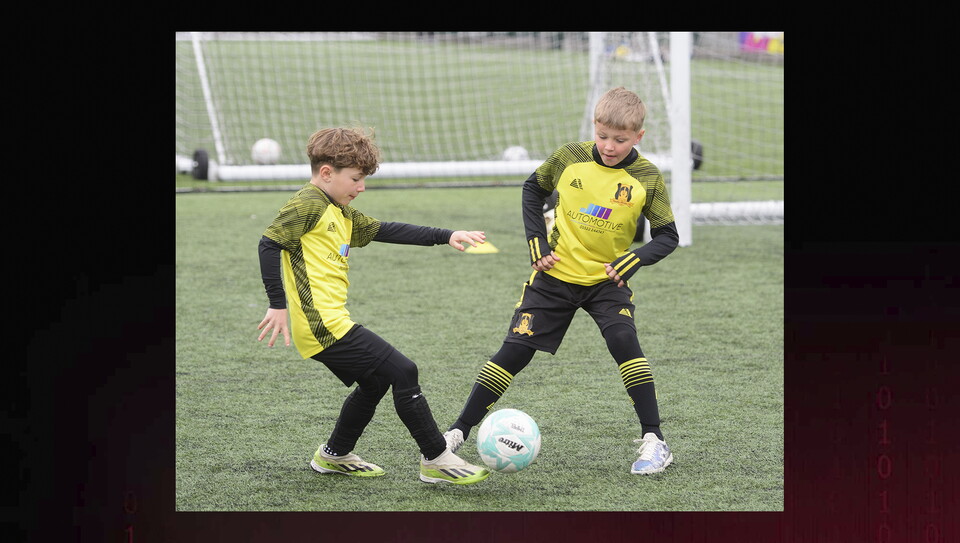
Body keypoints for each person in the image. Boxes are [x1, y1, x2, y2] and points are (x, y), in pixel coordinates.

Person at [444, 87, 679, 475]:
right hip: (554, 275)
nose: (609, 146)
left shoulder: (646, 177)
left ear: (639, 136)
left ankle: (655, 440)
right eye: (603, 136)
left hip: (606, 280)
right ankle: (456, 432)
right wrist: (536, 241)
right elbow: (532, 189)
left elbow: (668, 234)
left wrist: (635, 258)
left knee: (624, 340)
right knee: (514, 352)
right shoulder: (569, 156)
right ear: (594, 127)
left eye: (620, 140)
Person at [256, 127, 490, 485]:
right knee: (403, 370)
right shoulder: (308, 204)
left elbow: (386, 230)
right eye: (355, 179)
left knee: (376, 381)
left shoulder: (340, 211)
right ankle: (437, 458)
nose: (361, 187)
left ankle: (334, 454)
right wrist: (277, 304)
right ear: (326, 173)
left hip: (331, 320)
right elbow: (269, 243)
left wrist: (446, 236)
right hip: (321, 324)